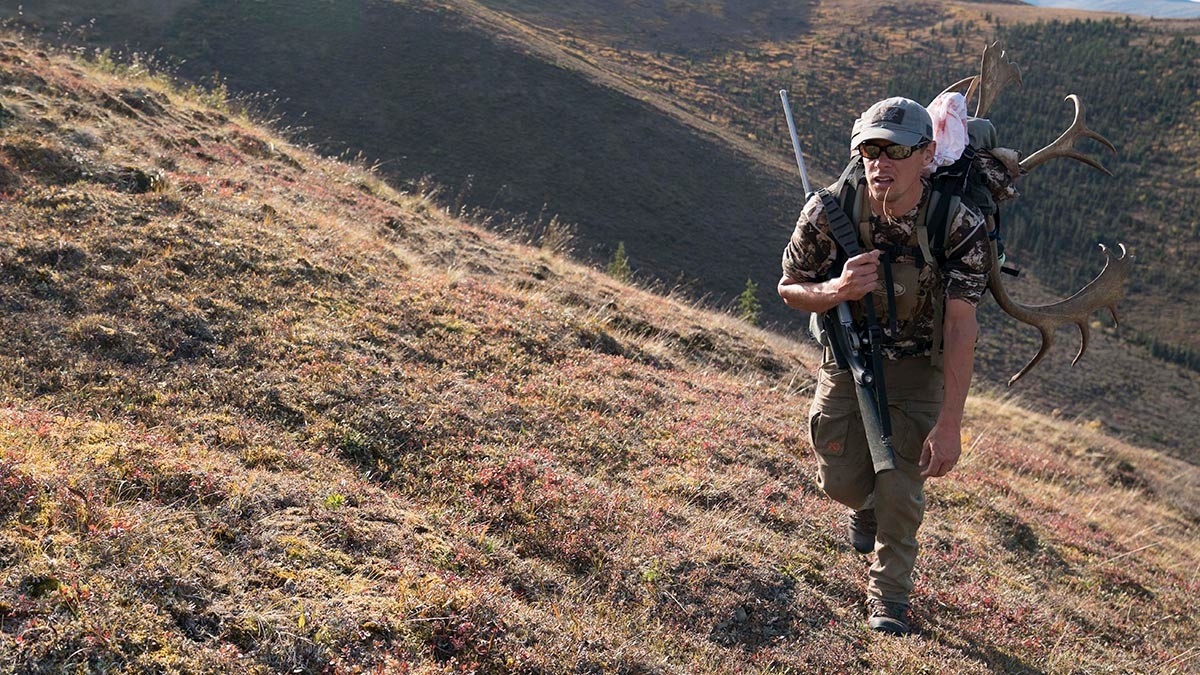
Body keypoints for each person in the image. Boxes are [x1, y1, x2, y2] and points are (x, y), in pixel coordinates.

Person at [777, 97, 992, 635]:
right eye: (869, 149)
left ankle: (889, 600)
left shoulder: (956, 224)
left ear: (925, 156)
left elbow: (962, 327)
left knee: (900, 486)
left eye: (895, 150)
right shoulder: (828, 212)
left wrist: (950, 422)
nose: (880, 162)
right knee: (843, 483)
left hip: (919, 372)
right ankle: (862, 505)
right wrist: (837, 289)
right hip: (847, 364)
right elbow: (789, 287)